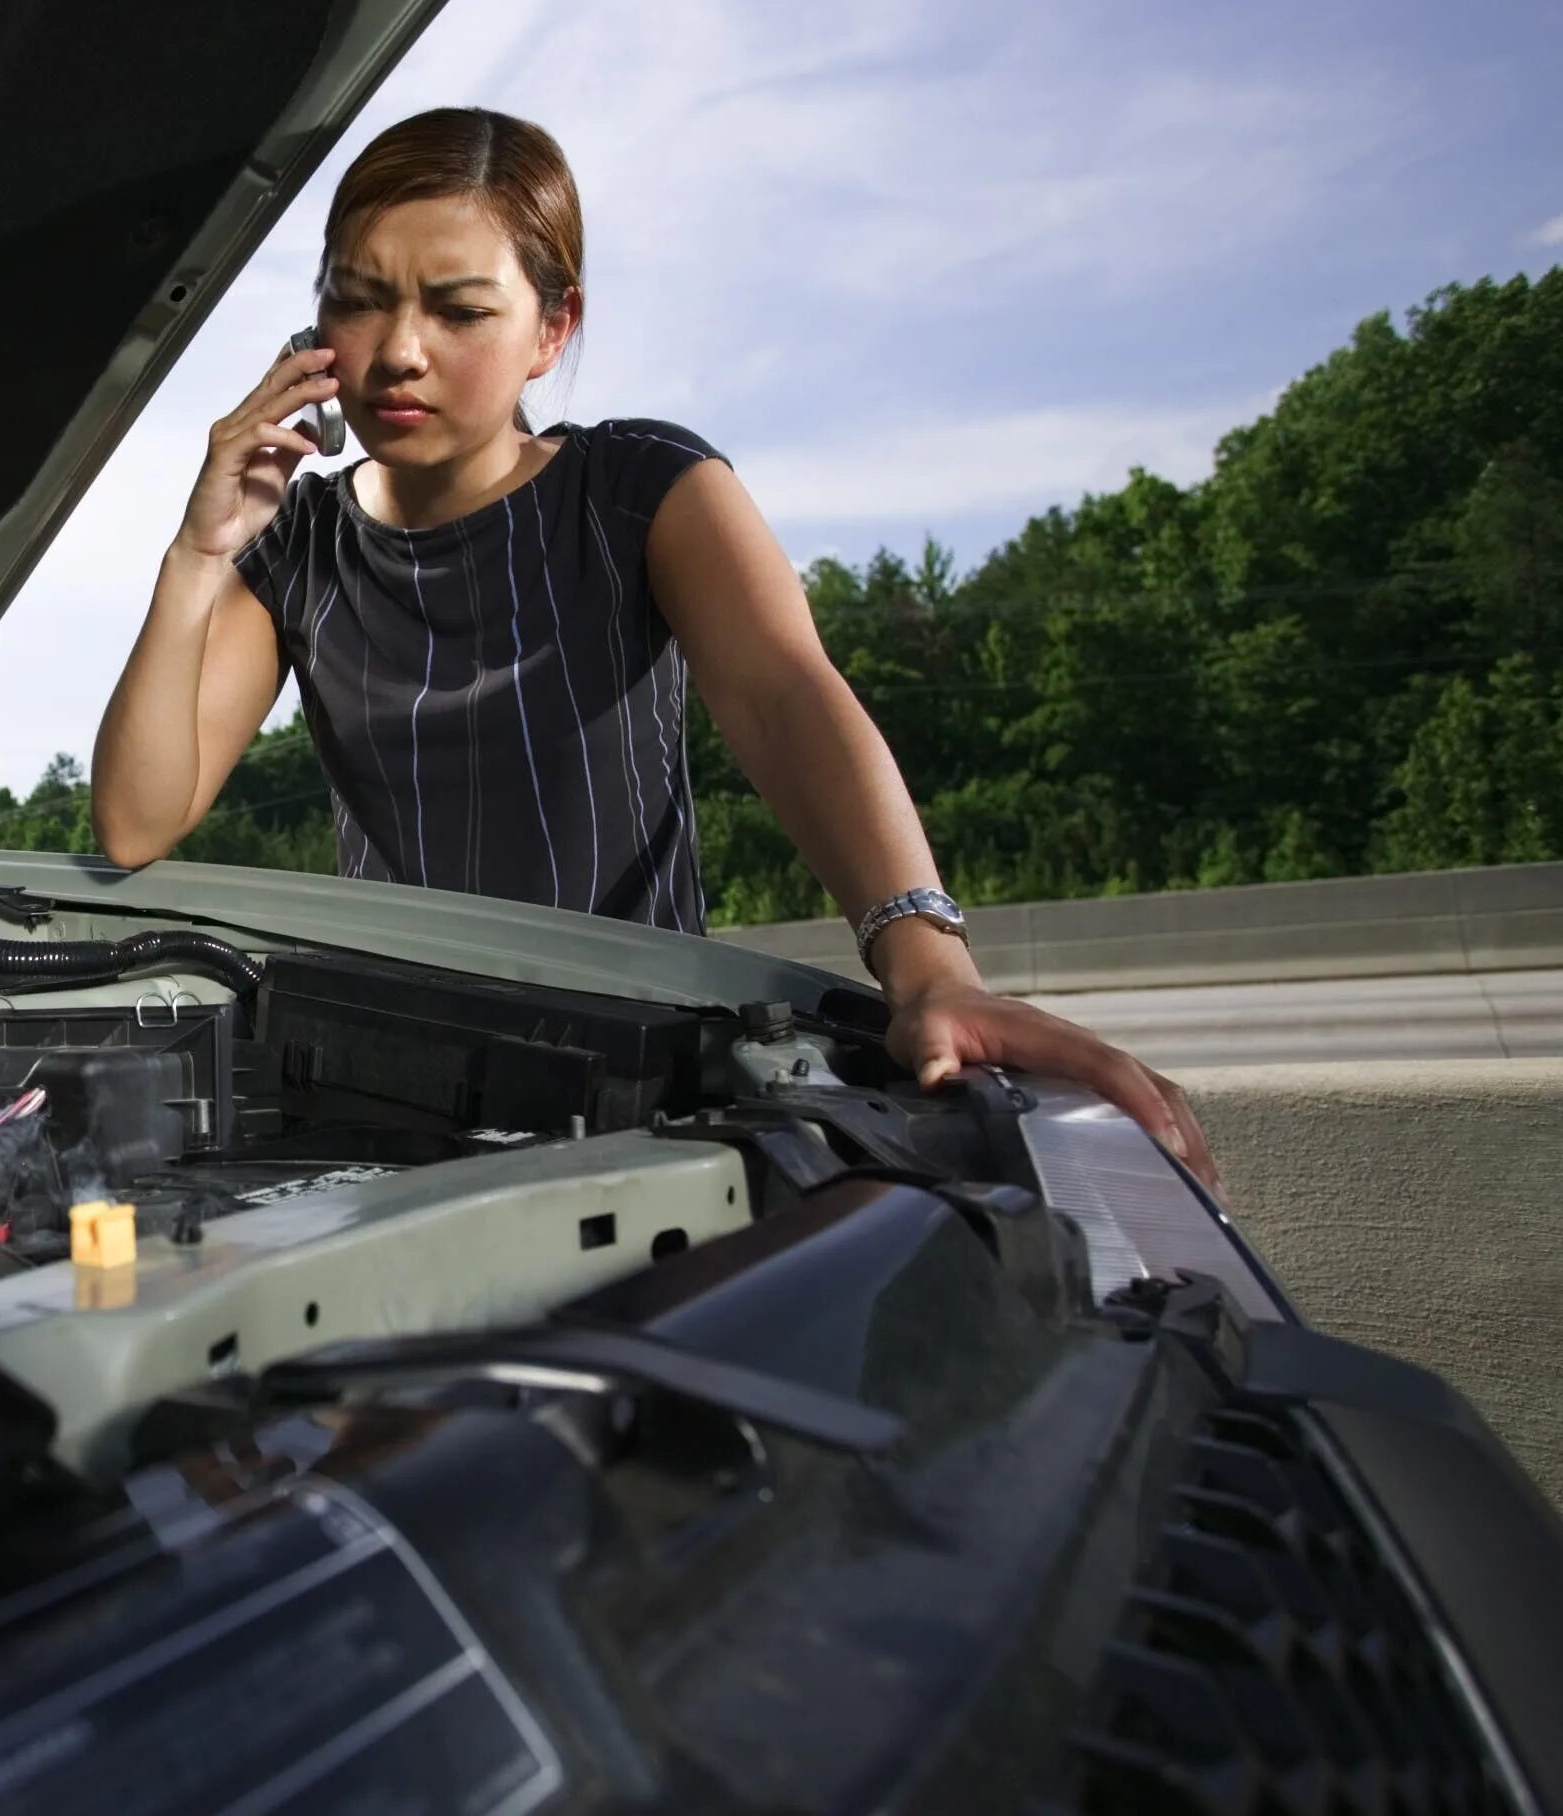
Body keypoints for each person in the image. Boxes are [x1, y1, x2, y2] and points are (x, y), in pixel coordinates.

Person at [91, 107, 1218, 1191]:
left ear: (553, 327)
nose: (399, 352)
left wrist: (926, 963)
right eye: (359, 299)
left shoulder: (640, 489)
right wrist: (199, 551)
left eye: (459, 310)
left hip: (630, 1087)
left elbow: (785, 695)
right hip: (378, 1084)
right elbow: (138, 817)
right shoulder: (298, 544)